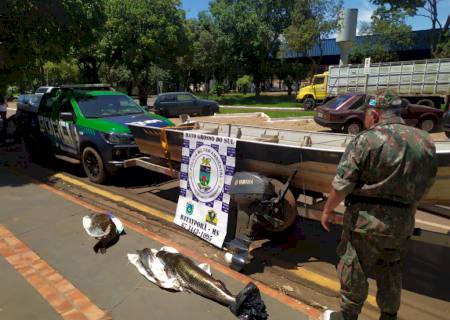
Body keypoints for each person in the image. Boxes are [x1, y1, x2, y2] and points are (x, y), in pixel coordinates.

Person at [320, 89, 437, 320]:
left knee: (354, 265)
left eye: (365, 114)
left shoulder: (367, 140)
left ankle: (348, 315)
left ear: (374, 113)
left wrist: (327, 209)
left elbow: (343, 183)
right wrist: (410, 211)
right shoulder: (425, 141)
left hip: (366, 221)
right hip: (402, 222)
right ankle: (389, 315)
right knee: (390, 267)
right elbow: (424, 185)